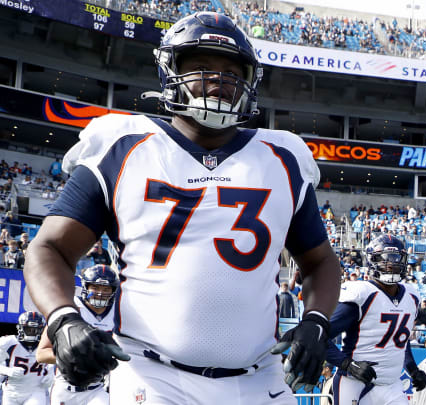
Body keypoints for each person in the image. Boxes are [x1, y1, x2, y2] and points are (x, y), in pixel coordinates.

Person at [23, 12, 341, 405]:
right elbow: (49, 248)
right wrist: (62, 319)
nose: (219, 79)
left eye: (230, 70)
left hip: (260, 378)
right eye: (202, 67)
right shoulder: (123, 147)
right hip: (153, 375)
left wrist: (316, 321)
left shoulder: (283, 157)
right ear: (170, 69)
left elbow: (321, 260)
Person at [325, 234, 426, 404]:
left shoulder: (412, 296)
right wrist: (347, 365)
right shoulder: (362, 294)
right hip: (354, 383)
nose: (391, 264)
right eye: (385, 259)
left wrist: (413, 369)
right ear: (372, 261)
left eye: (396, 258)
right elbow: (320, 336)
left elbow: (400, 339)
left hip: (391, 385)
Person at [36, 264, 118, 405]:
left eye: (106, 289)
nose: (100, 293)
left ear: (113, 291)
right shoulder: (69, 308)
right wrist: (74, 356)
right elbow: (41, 354)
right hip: (65, 389)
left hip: (97, 389)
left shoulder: (117, 314)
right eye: (96, 287)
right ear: (86, 287)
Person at [0, 312, 52, 405]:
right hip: (11, 391)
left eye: (35, 330)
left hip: (36, 391)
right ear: (20, 328)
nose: (32, 332)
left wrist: (51, 374)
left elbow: (56, 363)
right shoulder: (8, 342)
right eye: (28, 329)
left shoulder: (46, 345)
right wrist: (8, 371)